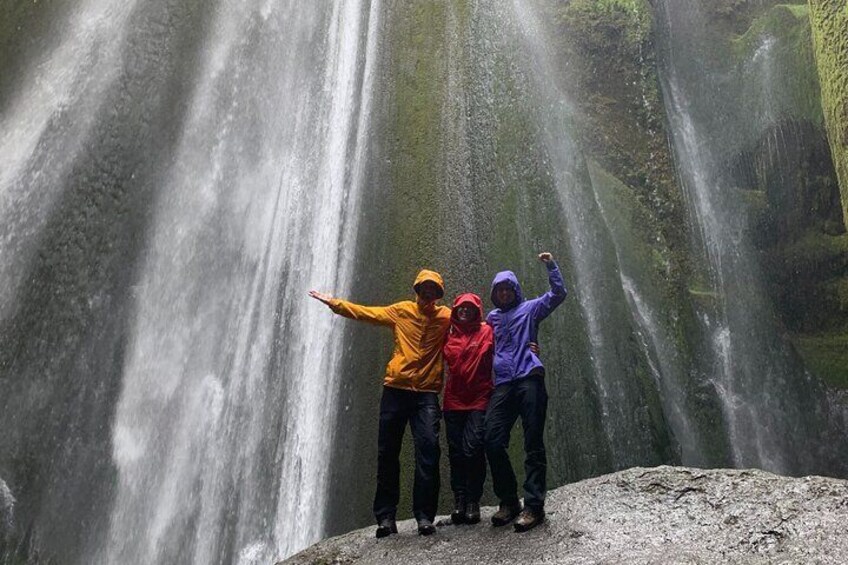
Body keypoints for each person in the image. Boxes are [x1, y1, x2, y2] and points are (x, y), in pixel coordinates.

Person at [308, 270, 451, 537]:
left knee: (429, 452)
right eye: (425, 287)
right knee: (387, 453)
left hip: (426, 394)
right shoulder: (401, 311)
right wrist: (334, 303)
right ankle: (386, 517)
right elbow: (367, 313)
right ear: (417, 289)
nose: (429, 292)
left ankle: (424, 517)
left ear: (439, 293)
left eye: (434, 289)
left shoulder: (446, 317)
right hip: (395, 389)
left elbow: (473, 327)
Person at [484, 252, 567, 532]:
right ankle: (509, 501)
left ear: (515, 290)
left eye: (508, 288)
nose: (504, 293)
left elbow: (558, 294)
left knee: (533, 442)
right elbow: (470, 337)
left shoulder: (531, 308)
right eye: (500, 290)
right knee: (492, 439)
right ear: (495, 294)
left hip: (529, 378)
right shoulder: (491, 319)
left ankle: (534, 506)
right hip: (504, 384)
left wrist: (551, 265)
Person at [441, 293, 493, 526]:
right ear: (455, 310)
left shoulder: (486, 331)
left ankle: (473, 501)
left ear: (477, 311)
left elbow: (510, 342)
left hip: (479, 399)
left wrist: (531, 348)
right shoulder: (447, 333)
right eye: (461, 307)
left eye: (470, 308)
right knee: (456, 451)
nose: (465, 311)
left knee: (473, 448)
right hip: (453, 401)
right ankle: (460, 501)